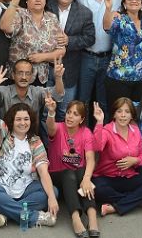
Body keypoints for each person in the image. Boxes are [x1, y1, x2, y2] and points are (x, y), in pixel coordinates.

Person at [0, 67, 59, 228]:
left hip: (26, 189)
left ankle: (4, 211)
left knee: (53, 192)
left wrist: (51, 198)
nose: (23, 123)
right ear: (11, 121)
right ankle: (34, 216)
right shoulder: (2, 131)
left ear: (31, 121)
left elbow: (43, 172)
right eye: (18, 119)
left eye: (26, 119)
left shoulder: (35, 141)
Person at [91, 98, 142, 216]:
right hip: (107, 177)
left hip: (128, 177)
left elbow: (141, 156)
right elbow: (97, 147)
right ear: (114, 114)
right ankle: (137, 201)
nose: (123, 115)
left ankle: (115, 207)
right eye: (119, 111)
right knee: (97, 189)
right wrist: (99, 122)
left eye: (127, 112)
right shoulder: (107, 130)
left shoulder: (135, 131)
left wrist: (135, 160)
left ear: (131, 116)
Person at [43, 98, 100, 237]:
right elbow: (50, 127)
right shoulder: (58, 127)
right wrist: (51, 112)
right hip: (57, 175)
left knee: (81, 172)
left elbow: (90, 159)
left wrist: (87, 178)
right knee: (69, 173)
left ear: (82, 119)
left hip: (77, 177)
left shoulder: (86, 132)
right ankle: (75, 218)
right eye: (68, 112)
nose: (70, 116)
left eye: (75, 114)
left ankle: (92, 217)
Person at [47, 0, 95, 120]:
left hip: (69, 69)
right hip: (44, 68)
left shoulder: (84, 12)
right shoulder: (45, 5)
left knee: (64, 111)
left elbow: (90, 38)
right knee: (45, 110)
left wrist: (69, 40)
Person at [0, 0, 65, 86]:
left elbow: (61, 50)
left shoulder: (52, 18)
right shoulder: (20, 14)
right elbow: (5, 27)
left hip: (41, 77)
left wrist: (43, 57)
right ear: (27, 0)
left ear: (45, 0)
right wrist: (14, 2)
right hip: (17, 76)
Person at [102, 0, 142, 110]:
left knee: (136, 114)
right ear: (124, 4)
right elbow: (107, 27)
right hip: (119, 77)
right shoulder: (119, 19)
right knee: (118, 114)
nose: (134, 1)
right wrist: (108, 8)